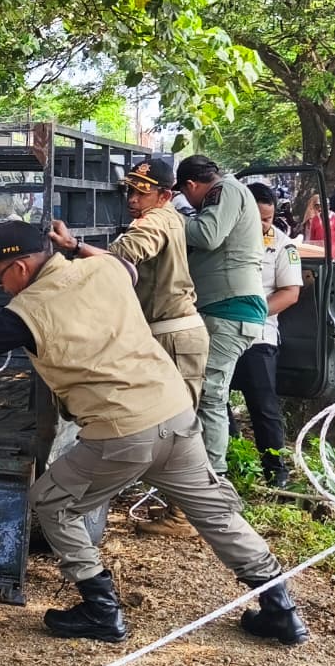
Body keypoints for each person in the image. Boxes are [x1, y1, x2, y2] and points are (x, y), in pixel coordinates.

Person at [0, 222, 308, 646]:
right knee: (216, 514)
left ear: (20, 267)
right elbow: (126, 266)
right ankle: (281, 609)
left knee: (51, 502)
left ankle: (101, 609)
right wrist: (76, 246)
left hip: (121, 431)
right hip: (176, 414)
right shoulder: (104, 270)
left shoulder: (25, 312)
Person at [51, 157, 210, 538]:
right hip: (163, 334)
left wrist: (74, 247)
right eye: (130, 191)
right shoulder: (167, 217)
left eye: (142, 192)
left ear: (165, 195)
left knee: (179, 429)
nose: (133, 199)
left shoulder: (155, 221)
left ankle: (189, 514)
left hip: (173, 335)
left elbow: (123, 259)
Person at [175, 154, 267, 475]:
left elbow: (207, 234)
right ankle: (202, 471)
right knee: (202, 390)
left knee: (210, 394)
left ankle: (212, 477)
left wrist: (169, 217)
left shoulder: (224, 189)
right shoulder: (227, 193)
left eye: (184, 194)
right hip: (225, 307)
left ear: (191, 185)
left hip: (231, 308)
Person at [230, 183, 303, 488]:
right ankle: (231, 458)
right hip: (220, 333)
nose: (262, 225)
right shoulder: (224, 237)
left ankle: (276, 472)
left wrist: (251, 315)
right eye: (256, 218)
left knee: (263, 405)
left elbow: (290, 293)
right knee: (213, 398)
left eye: (267, 219)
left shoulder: (282, 246)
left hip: (258, 336)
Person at [303, 192, 335, 261]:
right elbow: (312, 237)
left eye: (324, 205)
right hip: (318, 252)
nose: (321, 208)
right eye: (319, 206)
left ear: (328, 206)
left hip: (332, 252)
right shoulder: (315, 219)